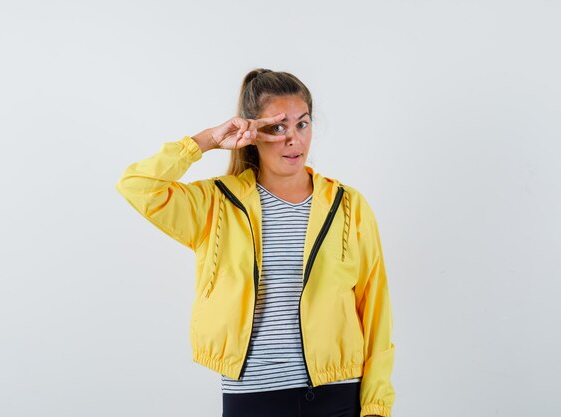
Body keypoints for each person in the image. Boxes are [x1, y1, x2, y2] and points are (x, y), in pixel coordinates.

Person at [115, 68, 395, 417]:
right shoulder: (216, 204)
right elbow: (137, 185)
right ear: (252, 132)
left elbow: (375, 306)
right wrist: (207, 141)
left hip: (338, 395)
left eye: (302, 124)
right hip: (253, 396)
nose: (293, 139)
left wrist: (376, 405)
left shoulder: (348, 205)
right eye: (277, 127)